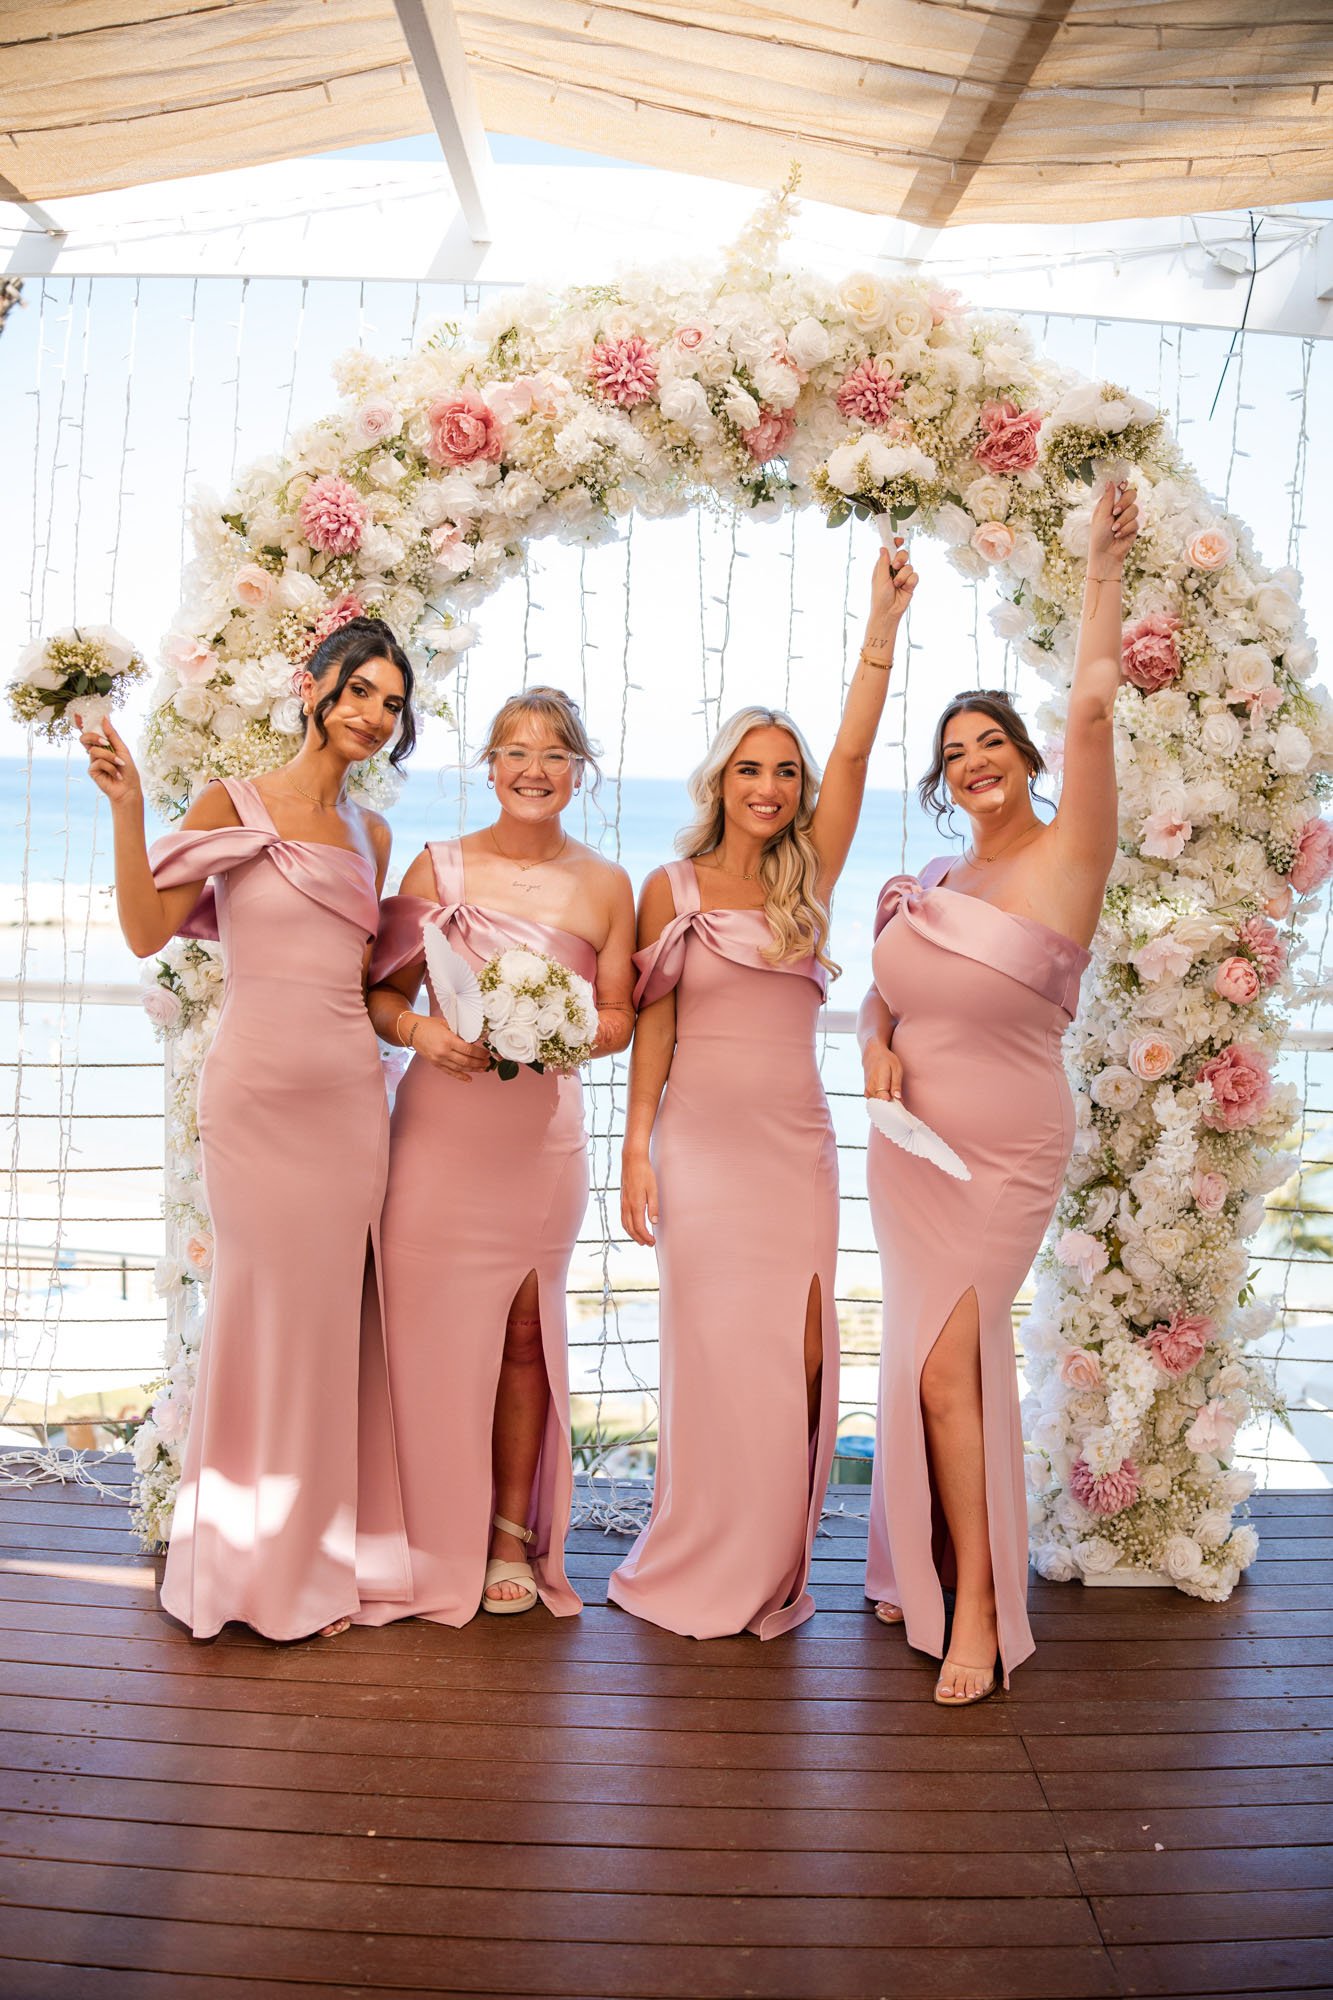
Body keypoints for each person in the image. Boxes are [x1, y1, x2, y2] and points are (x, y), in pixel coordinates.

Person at [858, 479, 1140, 1704]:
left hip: (1003, 1153)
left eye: (992, 744)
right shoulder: (937, 873)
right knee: (928, 1362)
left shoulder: (1068, 852)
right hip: (902, 1145)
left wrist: (1100, 568)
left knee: (942, 1369)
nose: (973, 762)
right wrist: (871, 1041)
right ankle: (930, 1567)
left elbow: (1089, 699)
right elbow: (889, 988)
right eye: (953, 751)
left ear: (1028, 761)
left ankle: (980, 1601)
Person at [81, 617, 418, 1640]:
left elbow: (365, 983)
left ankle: (313, 1561)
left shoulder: (375, 836)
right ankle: (233, 1561)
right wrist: (132, 808)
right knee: (253, 1313)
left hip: (351, 1103)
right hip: (256, 1099)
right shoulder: (231, 802)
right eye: (358, 689)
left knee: (326, 1329)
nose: (371, 714)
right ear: (310, 684)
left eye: (392, 703)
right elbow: (147, 929)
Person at [611, 537, 918, 1639]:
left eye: (782, 771)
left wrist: (879, 632)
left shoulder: (810, 876)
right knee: (713, 1347)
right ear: (719, 781)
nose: (772, 785)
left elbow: (852, 755)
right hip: (697, 1145)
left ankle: (776, 1561)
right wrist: (635, 1147)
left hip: (794, 1144)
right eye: (751, 767)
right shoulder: (670, 885)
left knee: (793, 1348)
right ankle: (705, 1551)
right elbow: (653, 1021)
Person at [356, 687, 636, 1625]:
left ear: (577, 772)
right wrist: (423, 1038)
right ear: (487, 765)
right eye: (515, 750)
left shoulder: (606, 885)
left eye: (554, 753)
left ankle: (507, 1537)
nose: (532, 768)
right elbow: (381, 998)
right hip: (438, 1131)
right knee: (426, 1339)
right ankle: (423, 1532)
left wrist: (562, 1030)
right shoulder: (437, 869)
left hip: (539, 1139)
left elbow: (620, 1017)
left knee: (523, 1336)